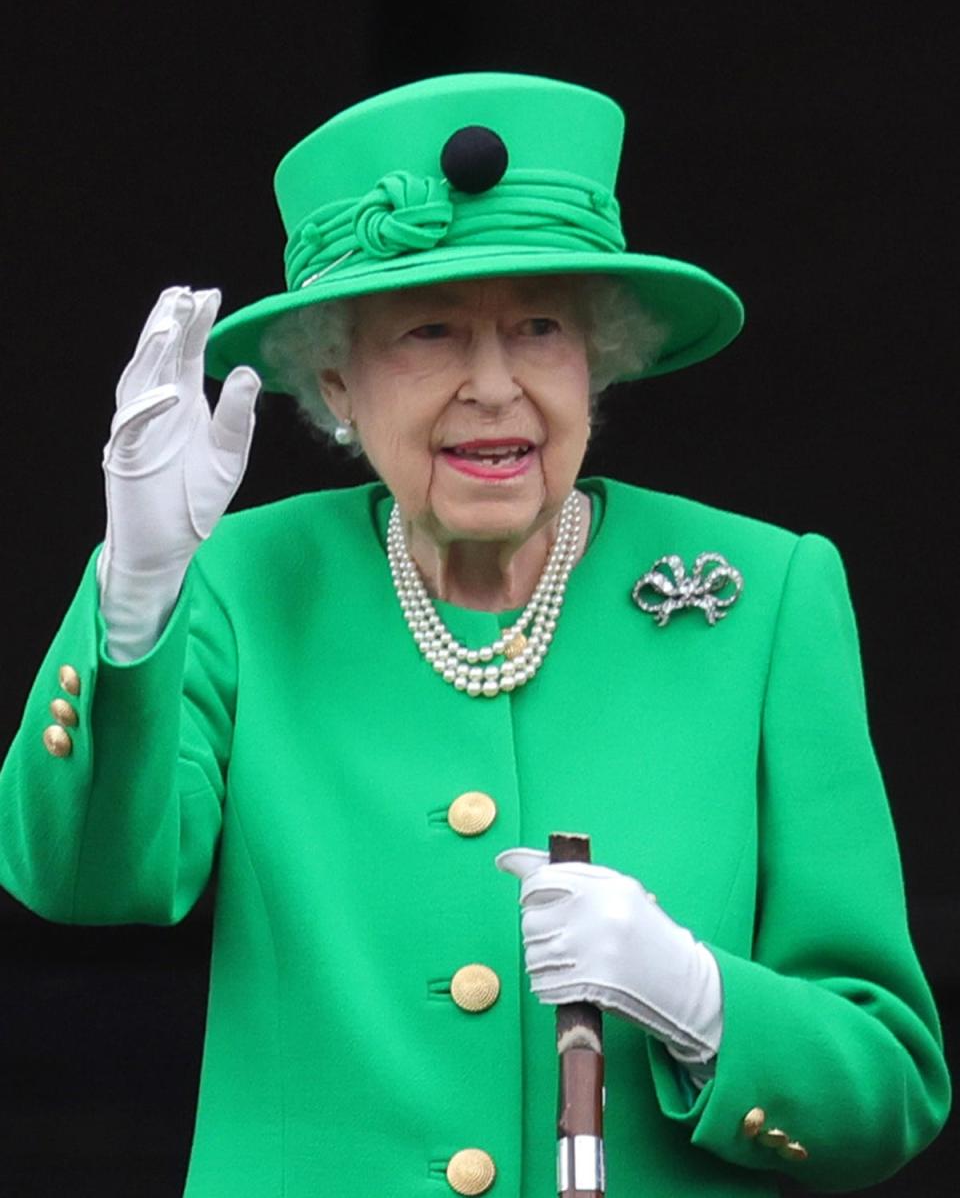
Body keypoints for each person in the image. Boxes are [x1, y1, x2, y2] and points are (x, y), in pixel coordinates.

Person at [0, 72, 949, 1197]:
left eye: (539, 328)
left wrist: (698, 998)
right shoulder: (243, 583)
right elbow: (86, 882)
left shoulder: (768, 593)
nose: (492, 386)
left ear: (597, 359)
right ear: (338, 381)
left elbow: (890, 1088)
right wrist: (137, 595)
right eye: (431, 332)